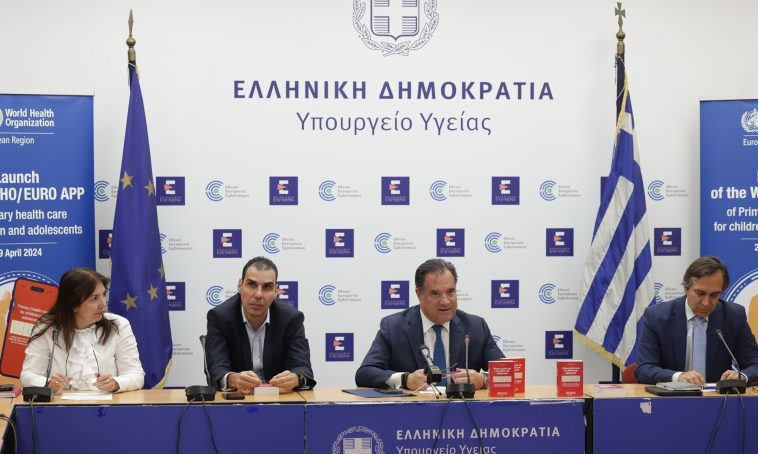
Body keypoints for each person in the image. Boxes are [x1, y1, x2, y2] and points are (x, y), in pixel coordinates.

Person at [356, 258, 504, 390]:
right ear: (419, 294)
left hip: (462, 409)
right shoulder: (394, 327)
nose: (445, 301)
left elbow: (509, 373)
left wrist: (483, 379)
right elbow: (364, 374)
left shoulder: (476, 327)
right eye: (435, 294)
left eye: (450, 292)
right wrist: (405, 379)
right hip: (413, 410)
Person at [635, 256, 758, 386]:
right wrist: (678, 377)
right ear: (686, 288)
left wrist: (741, 376)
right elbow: (644, 368)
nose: (706, 303)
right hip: (671, 395)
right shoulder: (657, 316)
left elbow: (755, 364)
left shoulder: (733, 316)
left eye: (714, 295)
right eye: (700, 293)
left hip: (717, 396)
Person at [20, 268, 144, 393]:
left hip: (107, 404)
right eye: (94, 298)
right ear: (73, 304)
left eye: (103, 294)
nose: (103, 304)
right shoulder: (46, 327)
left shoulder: (119, 325)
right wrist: (47, 383)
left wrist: (116, 383)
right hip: (60, 404)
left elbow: (136, 374)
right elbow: (28, 375)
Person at [205, 256, 315, 394]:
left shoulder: (291, 318)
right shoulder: (220, 317)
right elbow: (216, 370)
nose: (258, 295)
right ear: (240, 286)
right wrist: (233, 379)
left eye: (267, 287)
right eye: (251, 285)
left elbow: (303, 369)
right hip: (238, 398)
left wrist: (296, 378)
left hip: (279, 398)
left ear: (275, 292)